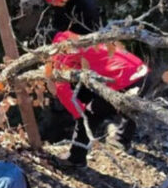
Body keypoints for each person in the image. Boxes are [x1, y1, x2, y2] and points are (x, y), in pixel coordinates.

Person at [51, 31, 149, 168]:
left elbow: (61, 89)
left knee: (90, 114)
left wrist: (79, 113)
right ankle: (121, 140)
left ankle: (75, 158)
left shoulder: (63, 54)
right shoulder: (84, 40)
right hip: (141, 71)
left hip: (126, 78)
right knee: (130, 108)